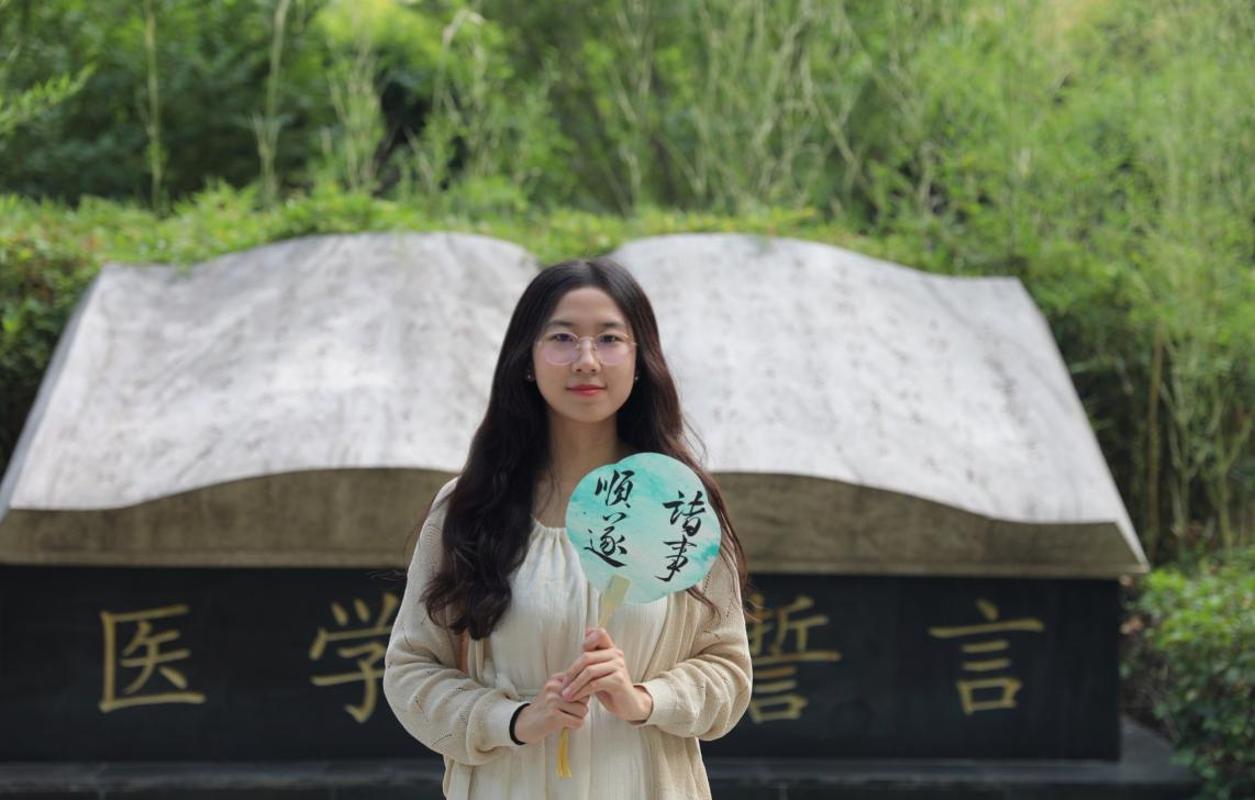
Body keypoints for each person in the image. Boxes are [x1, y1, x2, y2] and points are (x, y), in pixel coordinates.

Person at [383, 257, 752, 799]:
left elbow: (728, 670)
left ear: (640, 360)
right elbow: (411, 669)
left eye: (609, 339)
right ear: (527, 360)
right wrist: (514, 719)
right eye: (562, 338)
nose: (586, 360)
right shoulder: (471, 506)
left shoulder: (676, 503)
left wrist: (642, 699)